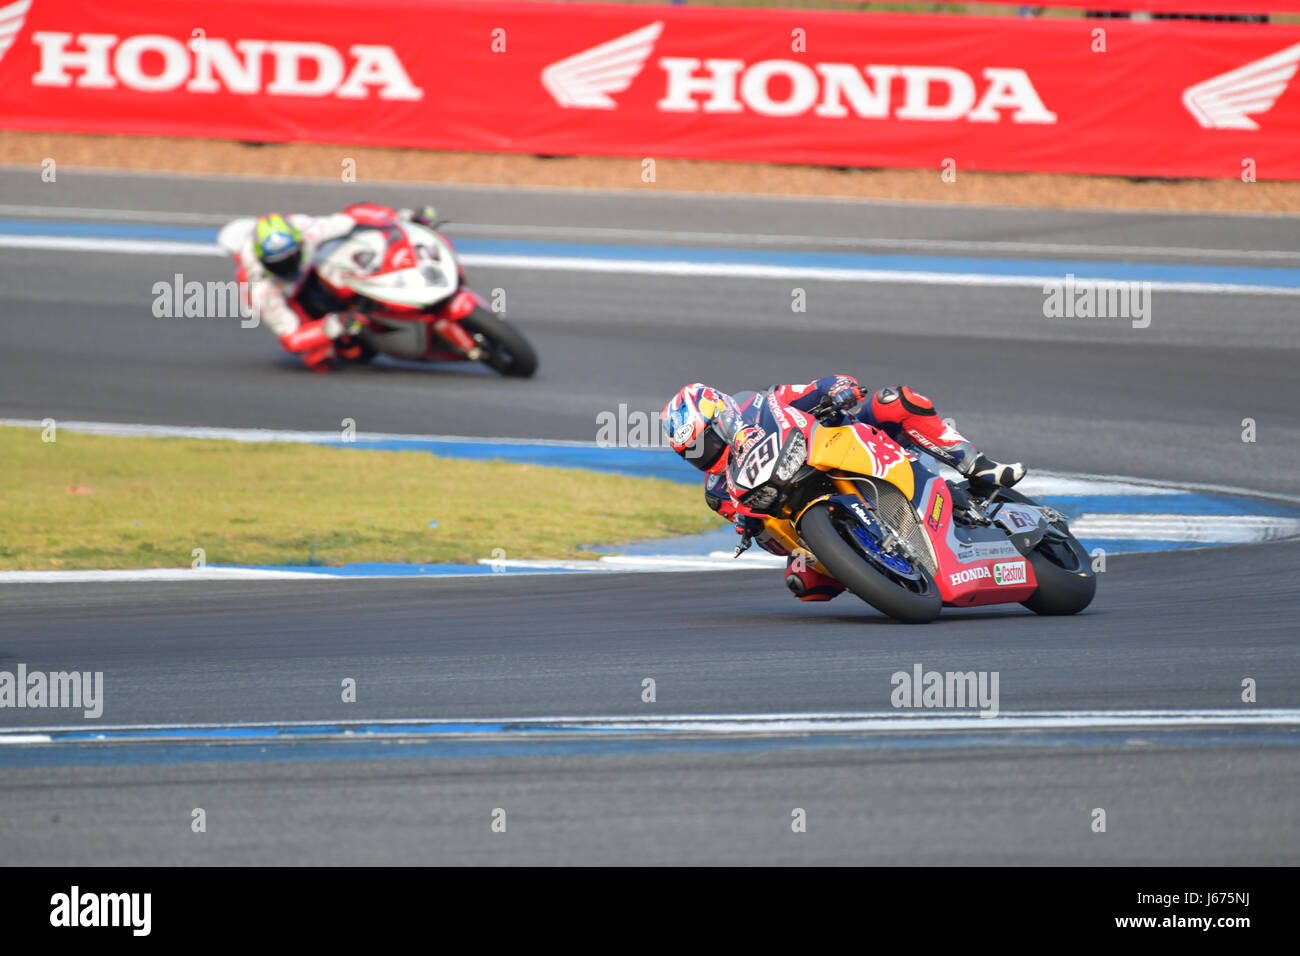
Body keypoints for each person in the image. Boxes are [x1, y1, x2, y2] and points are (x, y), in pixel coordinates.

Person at [660, 376, 1025, 601]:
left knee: (892, 401)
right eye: (691, 451)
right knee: (802, 581)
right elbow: (761, 534)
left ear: (721, 417)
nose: (702, 453)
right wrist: (749, 528)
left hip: (839, 445)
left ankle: (979, 467)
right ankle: (876, 568)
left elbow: (814, 389)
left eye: (704, 440)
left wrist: (836, 388)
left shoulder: (759, 405)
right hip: (802, 508)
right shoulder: (717, 491)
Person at [220, 203, 439, 371]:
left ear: (298, 243)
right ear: (262, 261)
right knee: (319, 359)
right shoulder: (261, 289)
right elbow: (291, 339)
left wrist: (401, 218)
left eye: (290, 257)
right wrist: (333, 325)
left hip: (314, 268)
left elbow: (350, 219)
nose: (286, 266)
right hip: (289, 296)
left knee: (356, 213)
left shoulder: (308, 230)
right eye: (277, 263)